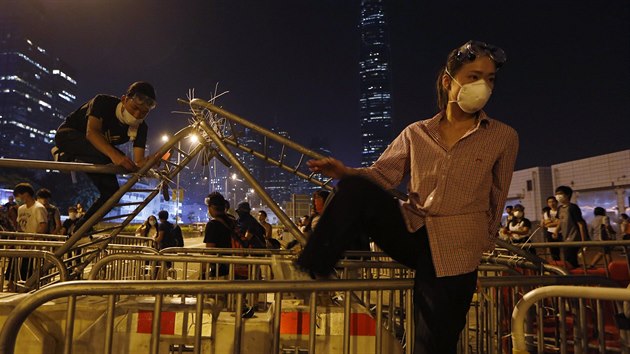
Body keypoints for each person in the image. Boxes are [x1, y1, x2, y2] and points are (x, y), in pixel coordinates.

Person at [296, 40, 517, 354]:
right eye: (473, 76)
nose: (483, 85)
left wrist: (476, 259)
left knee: (432, 343)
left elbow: (497, 198)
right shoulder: (417, 133)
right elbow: (382, 174)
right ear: (448, 80)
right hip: (412, 231)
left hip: (458, 247)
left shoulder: (503, 137)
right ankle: (316, 265)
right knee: (355, 188)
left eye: (490, 78)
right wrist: (344, 172)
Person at [53, 82, 157, 230]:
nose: (137, 115)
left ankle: (83, 226)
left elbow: (138, 162)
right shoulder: (103, 102)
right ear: (124, 99)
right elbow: (92, 133)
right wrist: (117, 157)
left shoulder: (141, 127)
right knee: (114, 157)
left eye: (143, 112)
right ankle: (64, 153)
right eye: (134, 108)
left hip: (97, 152)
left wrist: (154, 160)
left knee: (112, 192)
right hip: (69, 136)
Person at [9, 183, 48, 291]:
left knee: (29, 270)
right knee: (15, 267)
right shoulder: (21, 209)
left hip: (33, 247)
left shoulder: (38, 208)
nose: (17, 198)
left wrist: (32, 242)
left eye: (18, 195)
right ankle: (13, 285)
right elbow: (19, 226)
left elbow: (43, 225)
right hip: (22, 245)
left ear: (25, 194)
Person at [553, 185, 587, 268]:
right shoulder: (560, 208)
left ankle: (574, 277)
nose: (558, 196)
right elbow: (561, 221)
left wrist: (583, 241)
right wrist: (556, 231)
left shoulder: (573, 208)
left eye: (560, 194)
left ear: (567, 195)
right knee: (567, 259)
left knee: (571, 260)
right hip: (565, 238)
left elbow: (580, 224)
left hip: (574, 237)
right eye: (556, 194)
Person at [203, 192, 235, 277]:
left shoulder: (213, 224)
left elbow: (209, 251)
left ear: (211, 207)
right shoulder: (232, 221)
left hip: (220, 269)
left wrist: (203, 272)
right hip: (235, 265)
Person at [542, 196, 561, 260]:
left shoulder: (561, 211)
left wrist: (551, 222)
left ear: (556, 202)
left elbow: (561, 222)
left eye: (553, 201)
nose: (552, 203)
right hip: (550, 233)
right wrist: (556, 221)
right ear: (547, 203)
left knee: (563, 250)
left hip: (561, 232)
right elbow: (547, 225)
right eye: (549, 202)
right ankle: (557, 264)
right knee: (553, 251)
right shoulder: (547, 213)